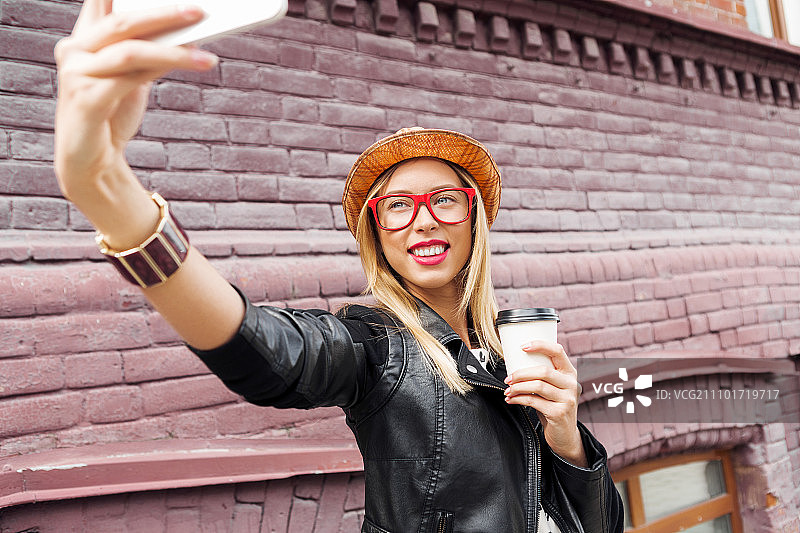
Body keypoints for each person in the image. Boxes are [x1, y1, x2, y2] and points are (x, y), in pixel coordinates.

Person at [54, 2, 624, 532]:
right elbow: (265, 349)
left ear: (473, 215)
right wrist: (105, 189)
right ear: (378, 233)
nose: (423, 221)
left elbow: (604, 526)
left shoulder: (509, 344)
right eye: (397, 206)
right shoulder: (376, 347)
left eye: (443, 199)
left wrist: (566, 436)